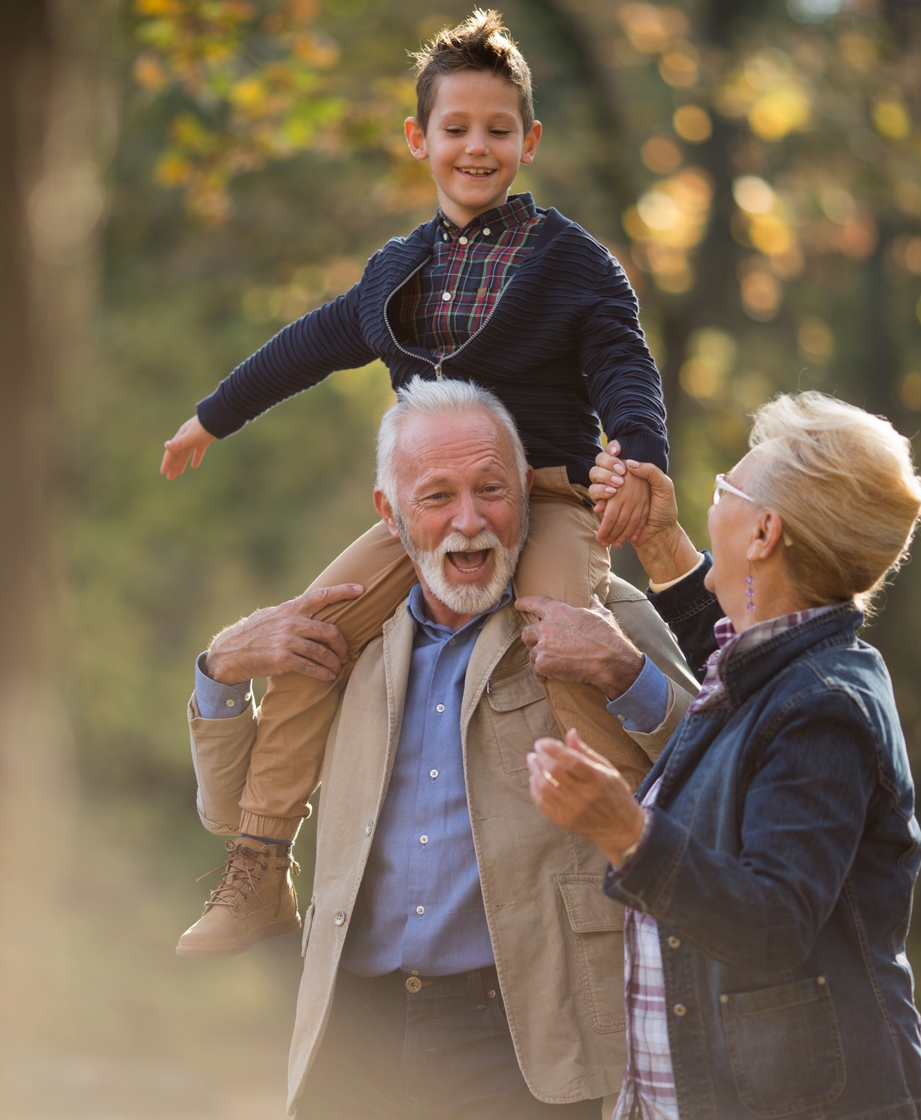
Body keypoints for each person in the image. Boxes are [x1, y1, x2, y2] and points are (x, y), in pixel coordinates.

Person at [164, 10, 671, 955]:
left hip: (549, 495)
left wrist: (639, 454)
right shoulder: (399, 271)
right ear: (420, 139)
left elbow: (623, 366)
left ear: (529, 140)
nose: (476, 147)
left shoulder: (573, 263)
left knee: (562, 629)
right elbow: (308, 344)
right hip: (428, 513)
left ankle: (634, 850)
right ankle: (261, 861)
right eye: (456, 129)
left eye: (498, 129)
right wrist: (213, 415)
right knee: (315, 625)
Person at [185, 379, 698, 1118]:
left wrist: (628, 672)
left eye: (491, 489)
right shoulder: (349, 638)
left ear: (525, 492)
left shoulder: (598, 613)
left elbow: (717, 772)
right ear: (389, 516)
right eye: (437, 497)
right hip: (352, 1029)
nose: (470, 520)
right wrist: (220, 673)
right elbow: (225, 811)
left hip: (529, 1034)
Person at [522, 393, 921, 1120]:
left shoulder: (823, 708)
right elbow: (727, 654)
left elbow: (771, 923)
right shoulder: (775, 667)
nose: (711, 499)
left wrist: (626, 832)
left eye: (725, 489)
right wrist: (660, 542)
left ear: (765, 531)